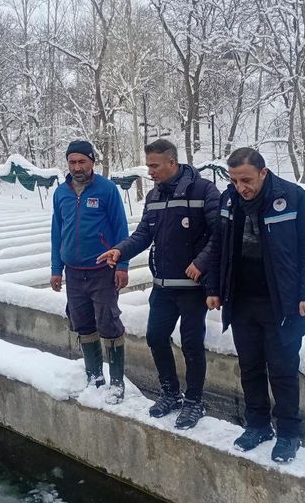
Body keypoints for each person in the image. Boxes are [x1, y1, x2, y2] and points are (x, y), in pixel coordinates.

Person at [97, 139, 221, 429]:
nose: (150, 171)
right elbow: (143, 234)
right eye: (148, 165)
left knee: (191, 344)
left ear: (172, 162)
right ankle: (170, 393)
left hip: (192, 288)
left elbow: (221, 233)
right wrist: (120, 250)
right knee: (155, 337)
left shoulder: (203, 191)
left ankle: (194, 401)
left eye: (154, 166)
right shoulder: (154, 196)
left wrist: (201, 262)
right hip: (163, 286)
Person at [213, 147, 305, 463]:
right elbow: (220, 246)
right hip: (242, 300)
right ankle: (258, 425)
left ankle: (288, 433)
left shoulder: (293, 198)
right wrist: (214, 288)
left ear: (263, 172)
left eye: (246, 180)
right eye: (234, 181)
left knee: (283, 370)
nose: (240, 187)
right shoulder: (229, 200)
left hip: (281, 303)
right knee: (249, 367)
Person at [51, 140, 130, 404]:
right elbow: (57, 232)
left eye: (82, 162)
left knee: (108, 322)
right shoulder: (61, 193)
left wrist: (122, 265)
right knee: (82, 323)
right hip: (74, 272)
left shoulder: (106, 190)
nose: (77, 167)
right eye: (72, 162)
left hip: (102, 270)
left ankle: (116, 382)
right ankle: (94, 376)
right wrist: (56, 269)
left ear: (92, 162)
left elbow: (120, 228)